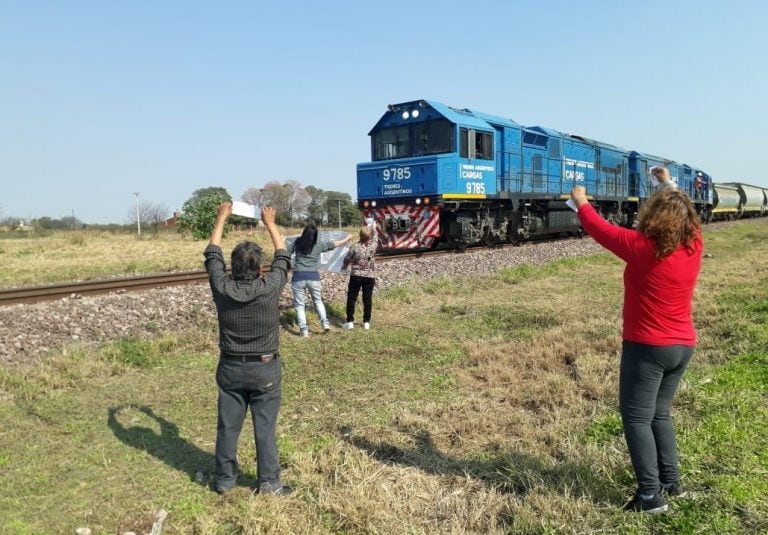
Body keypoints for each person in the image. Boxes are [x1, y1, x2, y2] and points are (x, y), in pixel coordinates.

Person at [570, 185, 703, 513]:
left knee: (637, 418)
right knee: (659, 413)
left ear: (653, 216)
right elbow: (686, 217)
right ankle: (672, 484)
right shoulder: (695, 246)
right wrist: (671, 185)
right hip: (682, 346)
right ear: (688, 221)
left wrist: (582, 202)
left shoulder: (640, 247)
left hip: (648, 348)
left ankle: (649, 496)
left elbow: (600, 229)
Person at [203, 203, 292, 496]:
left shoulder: (221, 288)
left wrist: (221, 217)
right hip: (265, 367)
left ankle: (225, 480)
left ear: (233, 266)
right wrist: (270, 223)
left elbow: (212, 254)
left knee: (227, 428)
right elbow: (283, 256)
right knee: (264, 428)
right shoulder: (270, 288)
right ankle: (269, 483)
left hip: (230, 368)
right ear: (259, 268)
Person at [288, 223, 351, 337]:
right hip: (313, 277)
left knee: (300, 305)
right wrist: (346, 239)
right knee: (318, 301)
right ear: (315, 235)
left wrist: (282, 240)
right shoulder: (317, 245)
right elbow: (334, 244)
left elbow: (285, 251)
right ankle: (325, 324)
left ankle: (304, 331)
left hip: (298, 277)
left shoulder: (297, 242)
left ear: (304, 233)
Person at [342, 224, 378, 330]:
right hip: (370, 276)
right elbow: (376, 236)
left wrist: (343, 268)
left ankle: (349, 322)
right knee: (367, 299)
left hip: (356, 276)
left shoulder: (354, 246)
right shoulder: (373, 245)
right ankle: (366, 322)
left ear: (360, 235)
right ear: (370, 236)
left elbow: (347, 259)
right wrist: (374, 228)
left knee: (352, 298)